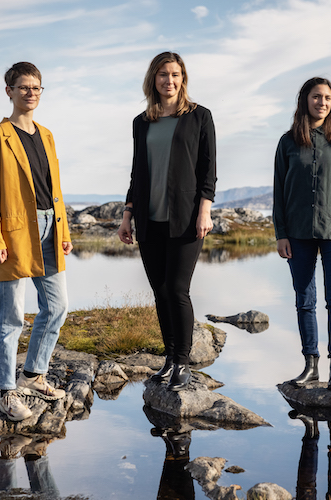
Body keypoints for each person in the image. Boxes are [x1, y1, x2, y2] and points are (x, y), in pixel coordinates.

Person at [118, 52, 216, 392]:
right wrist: (128, 214)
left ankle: (184, 361)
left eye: (175, 74)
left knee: (177, 290)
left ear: (183, 79)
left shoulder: (200, 117)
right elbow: (136, 172)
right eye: (163, 74)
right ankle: (170, 359)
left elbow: (208, 170)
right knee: (160, 292)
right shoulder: (141, 122)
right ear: (153, 79)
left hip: (186, 219)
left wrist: (205, 210)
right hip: (149, 217)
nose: (169, 80)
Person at [0, 62, 72, 421]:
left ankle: (33, 374)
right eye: (23, 88)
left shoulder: (47, 134)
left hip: (51, 227)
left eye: (36, 88)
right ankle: (5, 391)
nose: (30, 93)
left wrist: (64, 232)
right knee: (10, 317)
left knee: (57, 305)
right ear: (10, 92)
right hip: (15, 231)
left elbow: (55, 190)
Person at [273, 77, 331, 390]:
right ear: (305, 101)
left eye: (327, 98)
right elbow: (278, 191)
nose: (322, 102)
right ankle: (310, 365)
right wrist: (280, 233)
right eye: (316, 97)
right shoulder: (287, 142)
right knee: (304, 300)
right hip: (297, 232)